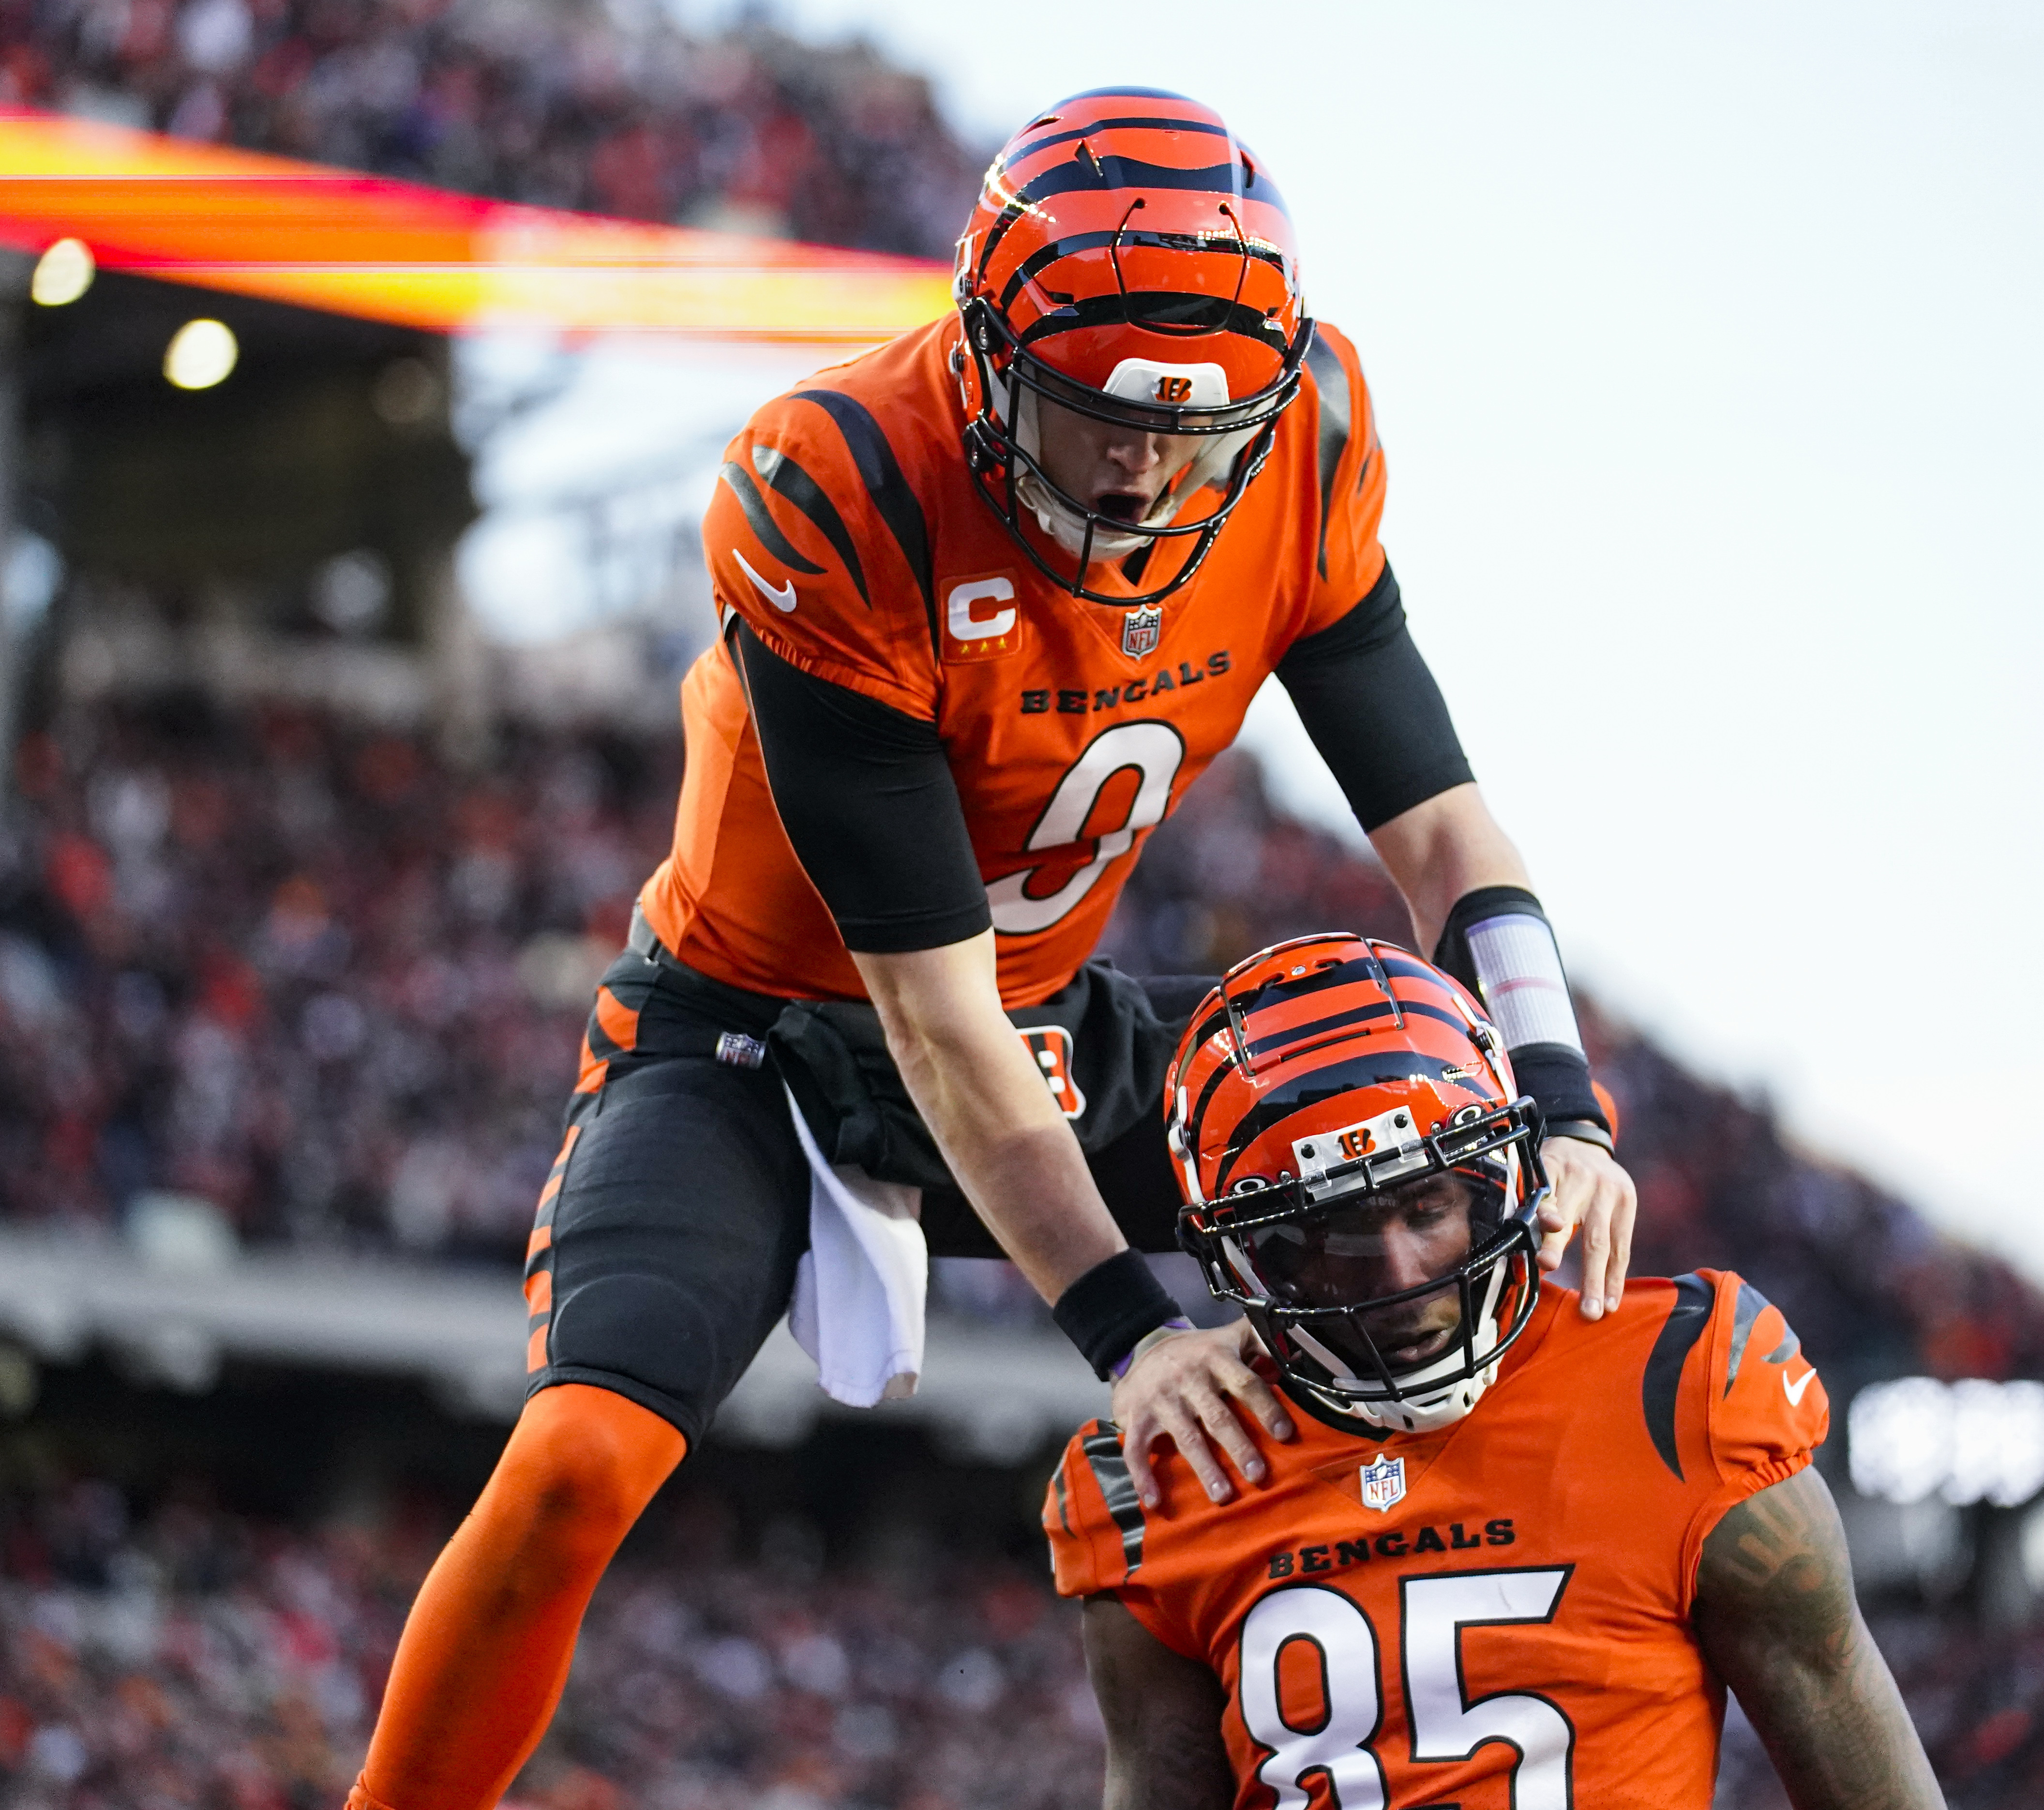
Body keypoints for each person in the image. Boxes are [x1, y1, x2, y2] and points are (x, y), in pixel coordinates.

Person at [346, 90, 1636, 1810]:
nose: (1139, 469)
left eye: (1190, 431)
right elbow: (929, 1013)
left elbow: (1445, 840)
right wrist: (1131, 1334)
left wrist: (1558, 1098)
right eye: (1092, 413)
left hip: (1040, 1020)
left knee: (1441, 1167)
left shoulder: (1312, 436)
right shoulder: (848, 483)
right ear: (980, 352)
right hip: (761, 1038)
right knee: (582, 1458)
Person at [1047, 935, 1945, 1810]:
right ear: (1242, 1256)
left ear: (1510, 1177)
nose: (1399, 1277)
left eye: (1429, 1206)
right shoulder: (1163, 1471)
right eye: (1334, 1237)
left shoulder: (1677, 1385)